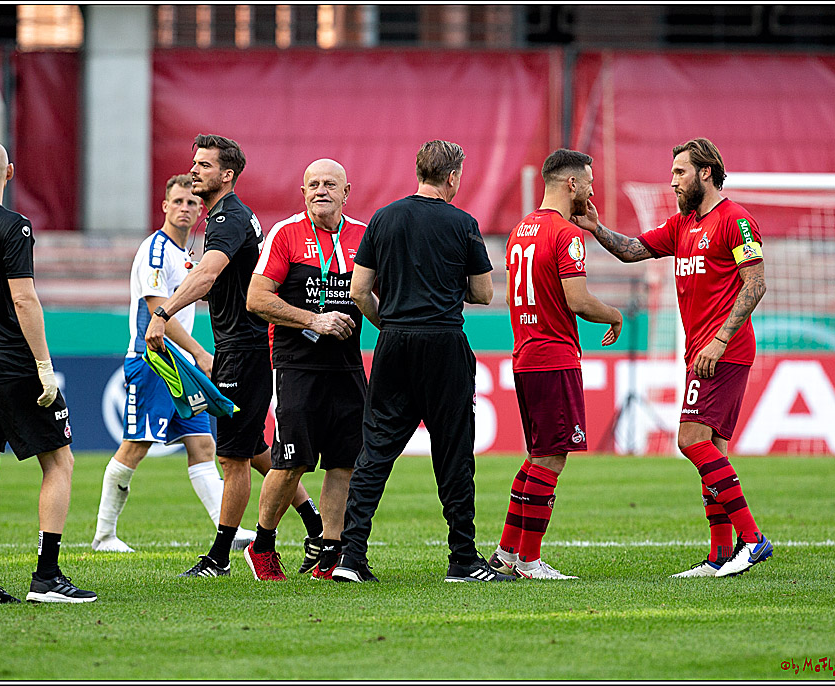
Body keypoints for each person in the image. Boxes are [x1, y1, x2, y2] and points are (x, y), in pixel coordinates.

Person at [572, 137, 772, 578]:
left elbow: (755, 284)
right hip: (700, 353)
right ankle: (721, 555)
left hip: (723, 351)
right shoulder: (683, 225)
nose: (673, 181)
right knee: (713, 449)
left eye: (680, 173)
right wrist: (595, 228)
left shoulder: (735, 220)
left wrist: (719, 341)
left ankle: (753, 540)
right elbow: (632, 251)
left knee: (690, 441)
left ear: (705, 172)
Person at [334, 140, 514, 583]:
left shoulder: (383, 218)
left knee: (375, 452)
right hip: (444, 344)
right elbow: (484, 292)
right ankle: (462, 559)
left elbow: (359, 291)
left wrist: (391, 325)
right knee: (453, 452)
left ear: (418, 171)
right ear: (452, 177)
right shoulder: (463, 223)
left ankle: (350, 557)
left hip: (394, 342)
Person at [145, 134, 321, 578]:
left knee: (233, 458)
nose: (194, 171)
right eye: (194, 162)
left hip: (244, 347)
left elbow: (208, 274)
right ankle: (314, 521)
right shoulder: (232, 216)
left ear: (227, 174)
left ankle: (220, 557)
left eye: (203, 165)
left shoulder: (227, 217)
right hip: (241, 345)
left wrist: (163, 313)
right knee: (252, 446)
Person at [0, 139, 96, 604]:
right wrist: (44, 367)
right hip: (13, 362)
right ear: (9, 172)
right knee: (59, 462)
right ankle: (46, 576)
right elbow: (23, 297)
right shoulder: (15, 226)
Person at [91, 175, 256, 554]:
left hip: (180, 366)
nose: (185, 208)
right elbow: (156, 313)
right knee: (137, 444)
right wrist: (200, 352)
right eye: (178, 201)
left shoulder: (186, 255)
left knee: (202, 444)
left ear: (201, 209)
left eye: (191, 203)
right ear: (164, 206)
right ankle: (104, 535)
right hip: (154, 362)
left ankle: (225, 531)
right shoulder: (155, 251)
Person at [487, 149, 622, 580]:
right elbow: (577, 300)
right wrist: (615, 314)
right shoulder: (565, 234)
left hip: (525, 355)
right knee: (551, 458)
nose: (592, 188)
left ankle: (508, 553)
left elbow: (512, 298)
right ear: (571, 185)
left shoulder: (519, 231)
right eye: (589, 181)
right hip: (554, 357)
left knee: (537, 456)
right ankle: (528, 560)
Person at [243, 159, 369, 580]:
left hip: (348, 366)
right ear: (302, 193)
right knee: (291, 462)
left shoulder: (364, 236)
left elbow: (378, 295)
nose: (320, 190)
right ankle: (261, 546)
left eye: (330, 184)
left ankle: (329, 553)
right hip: (297, 366)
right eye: (312, 184)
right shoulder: (286, 233)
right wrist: (313, 319)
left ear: (346, 192)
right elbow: (256, 299)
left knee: (343, 463)